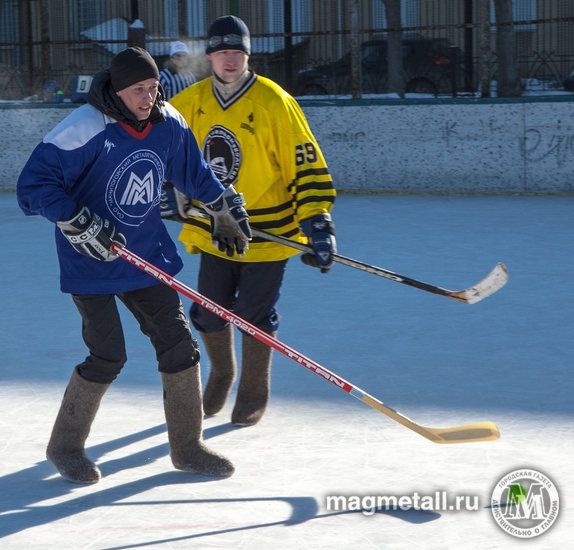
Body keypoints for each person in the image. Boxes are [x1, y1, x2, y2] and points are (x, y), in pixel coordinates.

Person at [16, 46, 251, 484]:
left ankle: (187, 446)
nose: (150, 97)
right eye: (139, 90)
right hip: (92, 258)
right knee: (107, 355)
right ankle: (64, 447)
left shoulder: (167, 121)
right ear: (118, 91)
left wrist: (221, 203)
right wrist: (73, 218)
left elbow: (193, 170)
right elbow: (33, 186)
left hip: (144, 255)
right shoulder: (83, 128)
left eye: (154, 87)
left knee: (180, 347)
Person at [168, 15, 337, 428]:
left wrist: (318, 223)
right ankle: (223, 372)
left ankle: (253, 389)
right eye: (223, 51)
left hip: (270, 231)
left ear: (248, 55)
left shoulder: (275, 101)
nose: (230, 59)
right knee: (208, 313)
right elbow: (163, 152)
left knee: (252, 314)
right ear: (210, 55)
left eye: (238, 52)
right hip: (216, 229)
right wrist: (169, 194)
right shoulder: (190, 103)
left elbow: (305, 164)